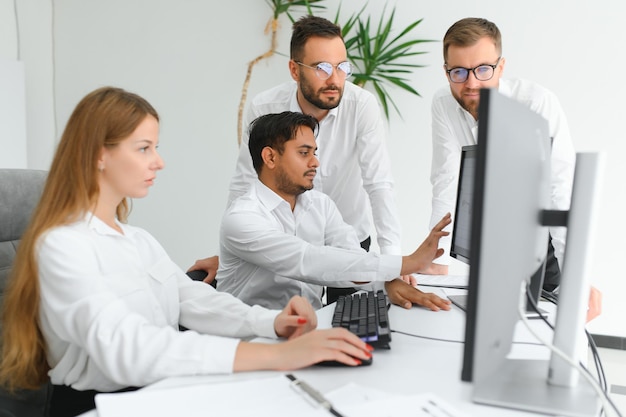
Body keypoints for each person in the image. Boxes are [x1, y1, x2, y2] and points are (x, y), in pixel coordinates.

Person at [0, 87, 373, 417]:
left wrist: (271, 323)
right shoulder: (61, 245)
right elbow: (128, 346)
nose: (158, 161)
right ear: (100, 155)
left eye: (155, 148)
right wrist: (277, 355)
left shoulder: (137, 239)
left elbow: (193, 300)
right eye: (144, 148)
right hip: (99, 404)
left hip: (162, 389)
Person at [220, 15, 408, 303]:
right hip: (284, 242)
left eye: (342, 67)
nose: (335, 79)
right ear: (295, 70)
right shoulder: (266, 107)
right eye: (322, 68)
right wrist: (233, 252)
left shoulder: (361, 106)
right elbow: (245, 179)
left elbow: (378, 183)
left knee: (346, 318)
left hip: (348, 238)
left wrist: (393, 265)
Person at [428, 17, 601, 321]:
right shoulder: (443, 103)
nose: (471, 83)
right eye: (458, 72)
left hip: (539, 234)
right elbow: (445, 179)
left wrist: (576, 277)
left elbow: (560, 190)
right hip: (487, 236)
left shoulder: (537, 104)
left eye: (483, 69)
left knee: (542, 320)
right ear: (446, 72)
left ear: (501, 67)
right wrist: (436, 261)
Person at [217, 111, 452, 312]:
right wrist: (407, 262)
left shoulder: (320, 204)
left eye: (314, 152)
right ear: (270, 157)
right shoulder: (242, 218)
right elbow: (307, 260)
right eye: (303, 153)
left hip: (307, 331)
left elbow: (350, 257)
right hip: (251, 343)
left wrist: (386, 283)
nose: (315, 162)